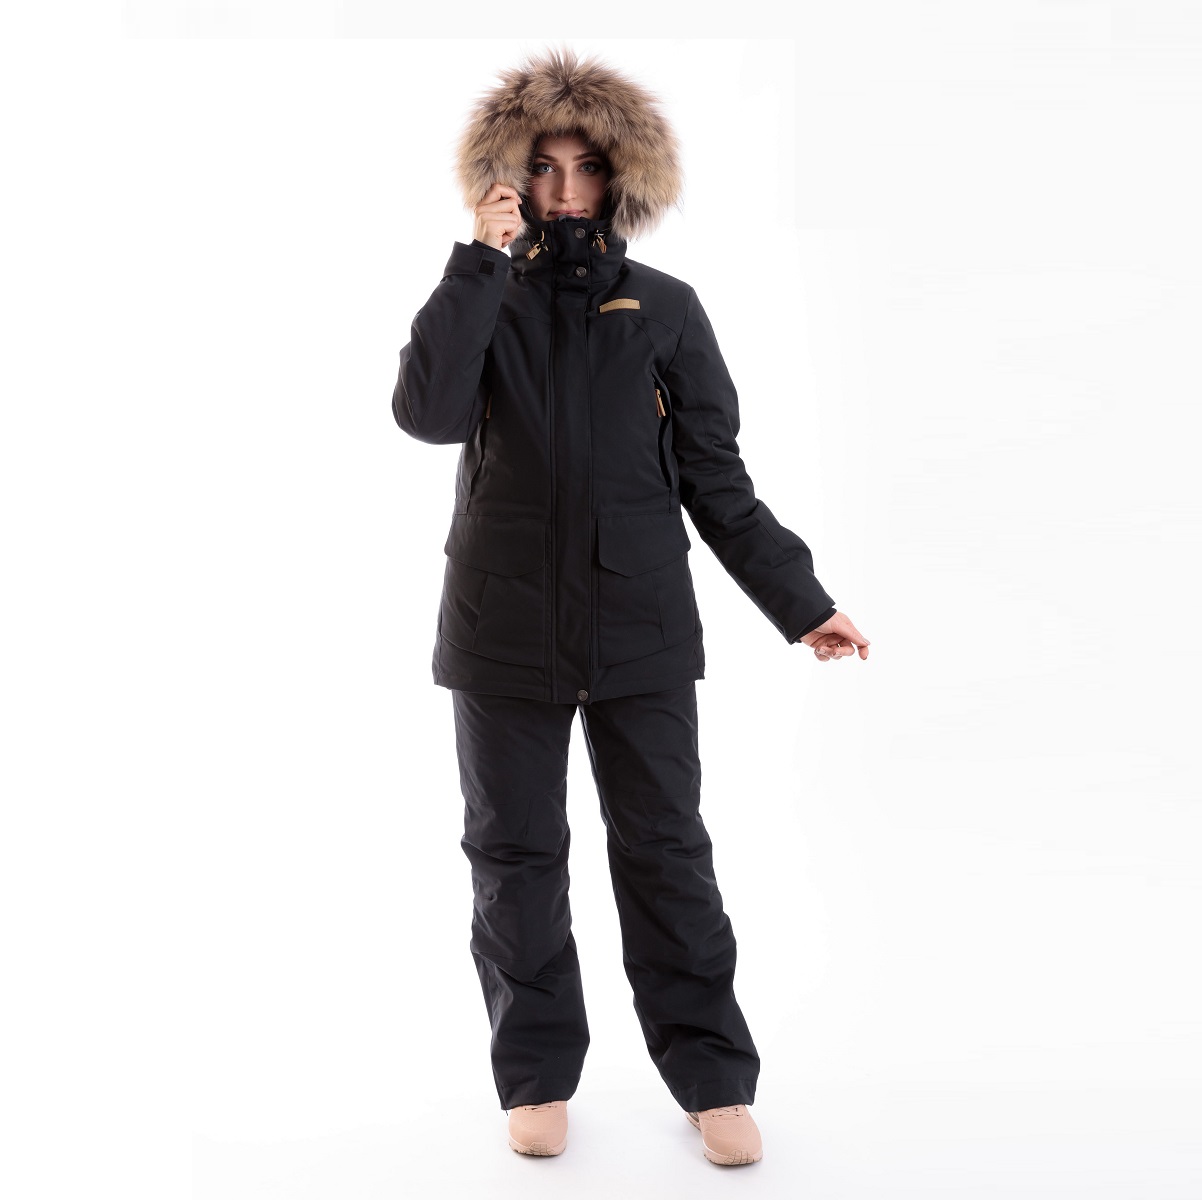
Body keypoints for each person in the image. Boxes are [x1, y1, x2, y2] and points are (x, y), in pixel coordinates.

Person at [390, 45, 870, 1166]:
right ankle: (535, 1076)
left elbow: (716, 480)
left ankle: (711, 1077)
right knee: (513, 856)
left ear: (621, 178)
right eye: (541, 168)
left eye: (586, 168)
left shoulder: (665, 310)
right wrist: (476, 261)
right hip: (501, 630)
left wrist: (802, 603)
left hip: (641, 628)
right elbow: (426, 415)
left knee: (665, 853)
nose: (565, 190)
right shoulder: (485, 298)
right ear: (507, 176)